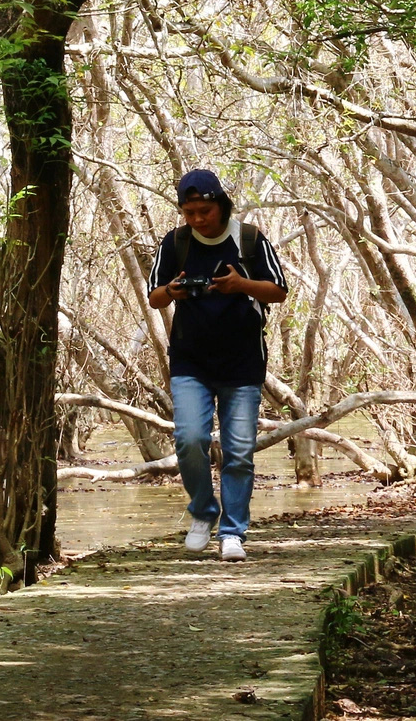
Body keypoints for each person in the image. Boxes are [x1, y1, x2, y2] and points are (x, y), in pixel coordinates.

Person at [146, 168, 288, 560]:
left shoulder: (249, 240)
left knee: (238, 450)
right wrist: (173, 290)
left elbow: (278, 291)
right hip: (190, 360)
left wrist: (241, 285)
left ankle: (232, 532)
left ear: (221, 205)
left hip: (243, 362)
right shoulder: (175, 243)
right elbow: (155, 297)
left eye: (204, 211)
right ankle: (203, 512)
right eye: (189, 212)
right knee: (190, 439)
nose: (197, 219)